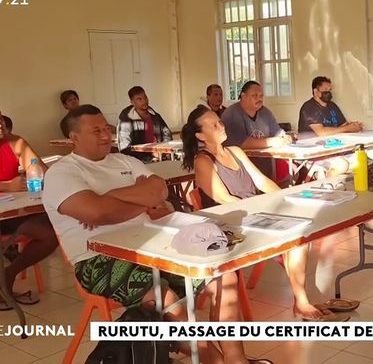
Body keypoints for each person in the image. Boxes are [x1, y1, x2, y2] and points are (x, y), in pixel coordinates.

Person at [43, 104, 270, 364]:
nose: (106, 135)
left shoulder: (125, 161)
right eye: (96, 131)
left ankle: (235, 359)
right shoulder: (63, 172)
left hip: (152, 247)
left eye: (107, 128)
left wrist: (109, 200)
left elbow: (159, 191)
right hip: (96, 260)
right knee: (163, 296)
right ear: (74, 138)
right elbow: (96, 213)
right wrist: (139, 202)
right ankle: (213, 360)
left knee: (223, 274)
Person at [182, 105, 347, 322]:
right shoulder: (203, 161)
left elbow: (262, 182)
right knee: (293, 238)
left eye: (220, 122)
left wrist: (285, 201)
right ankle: (302, 303)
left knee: (299, 235)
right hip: (230, 224)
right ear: (200, 135)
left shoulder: (236, 152)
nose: (221, 126)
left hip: (256, 215)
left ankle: (301, 302)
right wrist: (264, 210)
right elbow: (226, 201)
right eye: (214, 125)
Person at [0, 111, 58, 309]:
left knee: (50, 232)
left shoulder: (15, 143)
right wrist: (7, 186)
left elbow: (42, 172)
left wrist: (34, 174)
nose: (0, 123)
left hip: (12, 212)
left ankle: (9, 274)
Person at [221, 81, 291, 178]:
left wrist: (286, 137)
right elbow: (243, 143)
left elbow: (278, 132)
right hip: (240, 173)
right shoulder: (232, 114)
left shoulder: (265, 112)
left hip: (267, 168)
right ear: (243, 96)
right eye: (254, 95)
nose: (259, 99)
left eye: (261, 96)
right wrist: (273, 141)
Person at [117, 86, 172, 163]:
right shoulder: (126, 121)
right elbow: (124, 148)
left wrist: (164, 150)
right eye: (139, 99)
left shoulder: (155, 116)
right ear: (132, 102)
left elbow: (167, 133)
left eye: (145, 97)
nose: (144, 101)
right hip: (139, 162)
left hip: (160, 158)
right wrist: (150, 154)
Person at [298, 76, 363, 137]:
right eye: (325, 89)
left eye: (330, 90)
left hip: (333, 142)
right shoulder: (309, 107)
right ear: (316, 92)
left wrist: (354, 126)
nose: (328, 92)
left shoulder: (332, 105)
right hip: (312, 145)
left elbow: (344, 125)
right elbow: (321, 132)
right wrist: (347, 128)